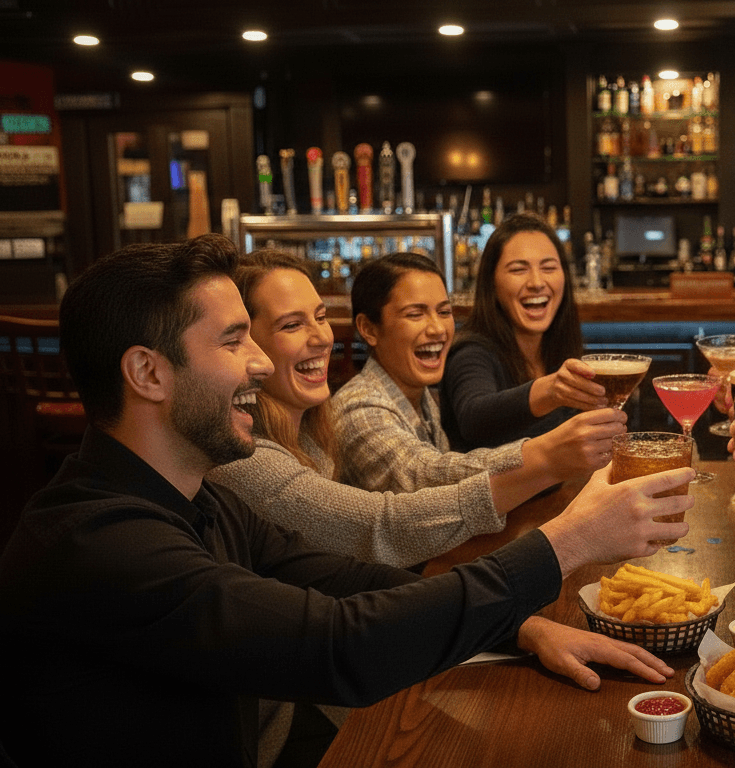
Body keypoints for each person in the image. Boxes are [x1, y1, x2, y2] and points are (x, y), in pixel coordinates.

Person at [0, 234, 693, 767]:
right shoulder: (103, 544)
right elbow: (338, 646)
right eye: (235, 340)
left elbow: (351, 579)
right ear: (147, 372)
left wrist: (523, 628)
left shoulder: (198, 495)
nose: (263, 363)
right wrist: (566, 542)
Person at [330, 250, 621, 495]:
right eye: (415, 314)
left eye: (444, 312)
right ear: (369, 329)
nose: (437, 329)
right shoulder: (360, 409)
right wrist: (546, 452)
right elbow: (425, 480)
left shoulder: (419, 398)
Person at [441, 211, 608, 450]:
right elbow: (473, 417)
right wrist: (549, 390)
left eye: (549, 268)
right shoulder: (471, 352)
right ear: (491, 282)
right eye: (519, 270)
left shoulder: (559, 349)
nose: (537, 282)